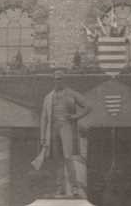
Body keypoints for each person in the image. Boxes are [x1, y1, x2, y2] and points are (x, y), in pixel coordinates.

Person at [32, 70, 93, 198]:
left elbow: (88, 106)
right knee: (58, 160)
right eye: (55, 79)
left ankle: (74, 188)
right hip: (52, 129)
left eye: (60, 79)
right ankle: (60, 188)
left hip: (66, 127)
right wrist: (43, 136)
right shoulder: (48, 97)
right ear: (53, 80)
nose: (58, 81)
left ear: (64, 80)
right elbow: (44, 117)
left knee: (67, 157)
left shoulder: (71, 93)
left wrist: (76, 116)